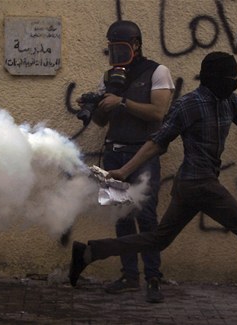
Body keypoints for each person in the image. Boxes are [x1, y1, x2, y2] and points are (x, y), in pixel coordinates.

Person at [70, 51, 237, 321]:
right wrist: (124, 170)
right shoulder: (189, 104)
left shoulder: (230, 101)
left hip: (193, 186)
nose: (233, 83)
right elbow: (157, 141)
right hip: (198, 182)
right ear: (212, 78)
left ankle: (88, 252)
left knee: (159, 239)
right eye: (229, 77)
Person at [79, 20, 175, 303]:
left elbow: (158, 113)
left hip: (142, 153)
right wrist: (96, 106)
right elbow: (100, 122)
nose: (116, 53)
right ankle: (129, 276)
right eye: (112, 48)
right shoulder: (109, 77)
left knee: (146, 217)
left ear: (135, 44)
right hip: (114, 152)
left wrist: (121, 102)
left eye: (120, 47)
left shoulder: (157, 72)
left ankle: (153, 277)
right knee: (121, 217)